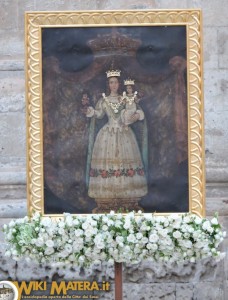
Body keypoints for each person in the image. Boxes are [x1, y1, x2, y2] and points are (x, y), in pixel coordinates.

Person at [85, 69, 147, 203]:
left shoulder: (125, 99)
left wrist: (135, 116)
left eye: (116, 82)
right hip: (107, 134)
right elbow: (100, 114)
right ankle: (108, 194)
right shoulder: (103, 100)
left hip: (124, 133)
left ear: (119, 84)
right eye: (111, 82)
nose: (114, 85)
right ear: (108, 84)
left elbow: (136, 111)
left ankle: (126, 193)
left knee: (125, 162)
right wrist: (90, 111)